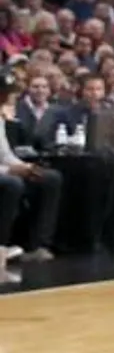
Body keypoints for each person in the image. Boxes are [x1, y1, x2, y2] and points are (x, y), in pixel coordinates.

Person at [0, 78, 61, 266]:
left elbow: (5, 154)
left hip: (5, 168)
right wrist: (9, 170)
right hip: (4, 174)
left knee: (49, 177)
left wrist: (25, 167)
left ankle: (38, 245)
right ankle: (1, 246)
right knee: (12, 183)